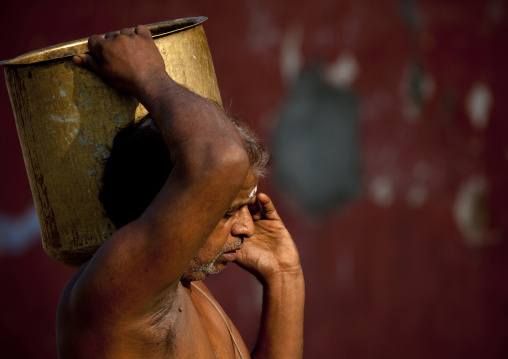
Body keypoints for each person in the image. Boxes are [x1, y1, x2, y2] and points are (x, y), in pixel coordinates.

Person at [56, 25, 305, 359]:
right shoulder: (123, 290)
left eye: (244, 207)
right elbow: (220, 158)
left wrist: (285, 277)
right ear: (162, 202)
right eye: (227, 211)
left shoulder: (188, 288)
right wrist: (147, 74)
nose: (248, 227)